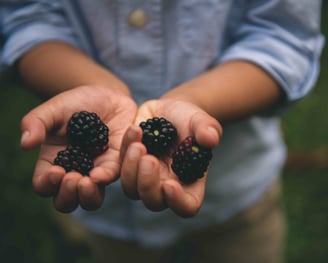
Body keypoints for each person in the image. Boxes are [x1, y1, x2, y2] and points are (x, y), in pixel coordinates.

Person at [0, 1, 324, 262]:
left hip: (236, 193)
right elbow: (28, 19)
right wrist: (94, 86)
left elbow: (282, 38)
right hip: (110, 209)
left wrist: (195, 99)